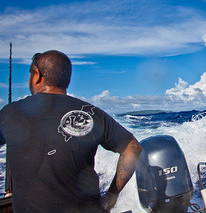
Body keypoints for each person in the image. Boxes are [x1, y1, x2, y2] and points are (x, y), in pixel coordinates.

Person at [0, 50, 142, 212]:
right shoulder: (92, 113)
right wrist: (111, 196)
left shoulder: (10, 113)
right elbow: (133, 149)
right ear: (66, 80)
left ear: (37, 75)